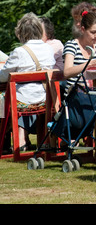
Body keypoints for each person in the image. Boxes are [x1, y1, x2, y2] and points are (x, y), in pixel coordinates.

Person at [0, 13, 55, 150]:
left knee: (0, 101)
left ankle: (5, 142)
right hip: (45, 99)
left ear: (21, 33)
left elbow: (3, 76)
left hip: (23, 101)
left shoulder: (19, 51)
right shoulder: (48, 49)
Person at [63, 10, 96, 92]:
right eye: (93, 32)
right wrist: (90, 63)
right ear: (83, 29)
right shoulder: (72, 46)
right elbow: (66, 72)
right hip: (76, 95)